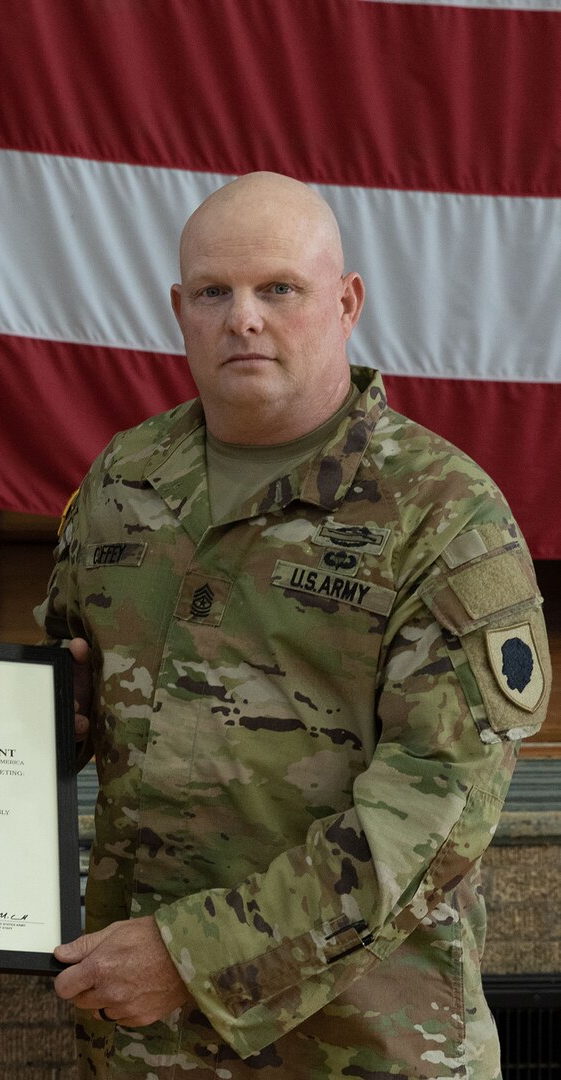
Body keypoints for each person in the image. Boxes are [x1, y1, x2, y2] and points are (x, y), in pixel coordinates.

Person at [42, 171, 550, 1077]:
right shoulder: (124, 481)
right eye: (214, 292)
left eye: (279, 287)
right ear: (178, 309)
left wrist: (196, 959)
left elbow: (430, 817)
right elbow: (58, 689)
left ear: (346, 301)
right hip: (143, 1046)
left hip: (366, 1047)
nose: (243, 317)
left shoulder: (442, 515)